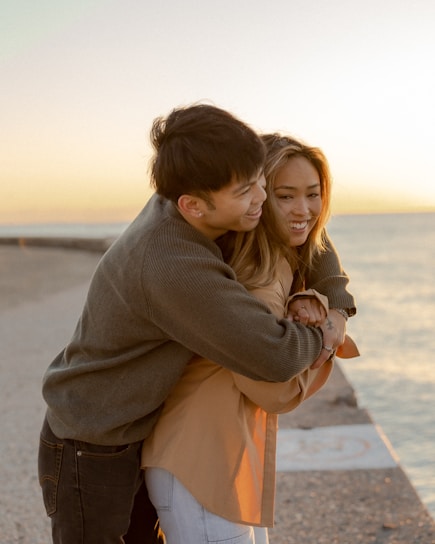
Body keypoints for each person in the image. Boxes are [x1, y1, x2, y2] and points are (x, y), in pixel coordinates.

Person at [38, 104, 354, 544]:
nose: (262, 200)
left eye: (263, 185)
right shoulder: (175, 266)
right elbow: (275, 356)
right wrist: (326, 332)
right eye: (251, 191)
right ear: (194, 206)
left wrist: (336, 302)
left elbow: (306, 226)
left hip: (141, 426)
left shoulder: (195, 187)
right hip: (92, 441)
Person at [141, 133, 358, 543]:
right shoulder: (259, 273)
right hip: (200, 462)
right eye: (285, 195)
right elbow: (272, 389)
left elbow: (319, 240)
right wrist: (327, 342)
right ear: (257, 198)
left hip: (217, 456)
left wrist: (327, 303)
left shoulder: (270, 255)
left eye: (313, 194)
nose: (304, 209)